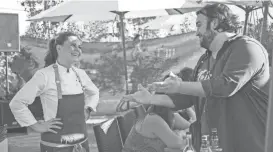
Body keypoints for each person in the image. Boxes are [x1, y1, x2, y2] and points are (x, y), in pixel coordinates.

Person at [124, 3, 270, 152]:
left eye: (199, 25)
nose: (196, 32)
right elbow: (188, 98)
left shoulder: (246, 48)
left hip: (248, 145)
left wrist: (180, 86)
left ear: (214, 23)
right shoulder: (204, 61)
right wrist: (151, 99)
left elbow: (225, 86)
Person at [9, 31, 100, 152]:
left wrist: (88, 109)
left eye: (79, 46)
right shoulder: (44, 75)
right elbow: (17, 103)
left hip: (81, 145)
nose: (77, 49)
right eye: (73, 45)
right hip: (55, 146)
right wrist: (37, 126)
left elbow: (94, 93)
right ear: (59, 48)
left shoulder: (80, 74)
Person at [122, 84, 188, 152]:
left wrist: (181, 133)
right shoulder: (153, 119)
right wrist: (180, 133)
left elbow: (192, 129)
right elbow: (179, 144)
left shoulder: (171, 116)